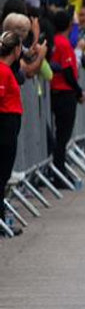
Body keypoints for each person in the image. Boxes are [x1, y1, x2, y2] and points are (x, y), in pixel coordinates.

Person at [49, 9, 85, 185]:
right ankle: (59, 173)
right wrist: (79, 91)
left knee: (60, 136)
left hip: (57, 92)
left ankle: (59, 170)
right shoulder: (63, 44)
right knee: (63, 136)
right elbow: (68, 72)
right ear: (70, 25)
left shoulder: (55, 41)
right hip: (64, 93)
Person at [0, 32, 24, 236]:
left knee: (3, 174)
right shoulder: (3, 71)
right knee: (2, 174)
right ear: (16, 50)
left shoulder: (8, 70)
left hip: (10, 123)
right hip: (5, 124)